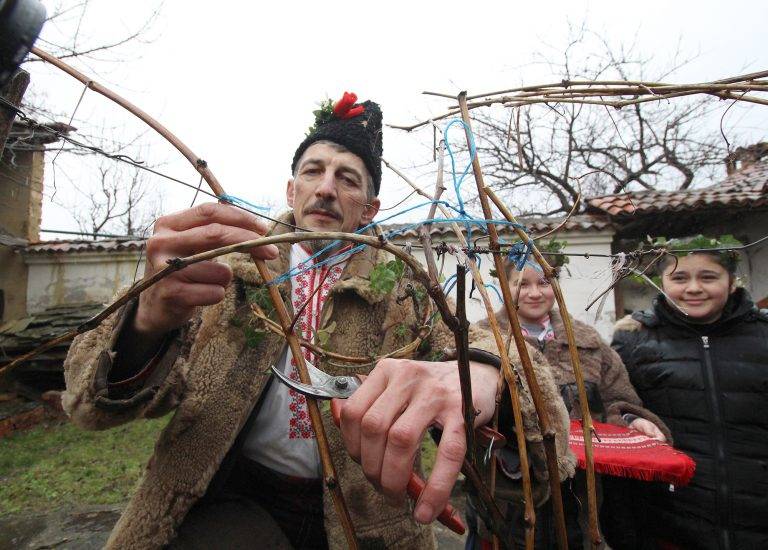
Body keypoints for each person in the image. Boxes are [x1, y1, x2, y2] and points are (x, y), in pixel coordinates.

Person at [61, 93, 571, 549]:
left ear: (369, 209)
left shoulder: (407, 289)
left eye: (347, 179)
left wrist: (485, 374)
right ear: (290, 191)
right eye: (313, 171)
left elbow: (483, 346)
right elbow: (89, 408)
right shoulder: (225, 271)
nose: (326, 188)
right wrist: (147, 323)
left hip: (372, 523)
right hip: (232, 502)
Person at [474, 258, 669, 549]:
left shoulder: (587, 341)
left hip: (582, 495)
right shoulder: (483, 340)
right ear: (504, 286)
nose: (534, 293)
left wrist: (632, 420)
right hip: (510, 494)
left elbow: (618, 399)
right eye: (521, 283)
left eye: (544, 282)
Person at [609, 236, 768, 550]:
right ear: (662, 283)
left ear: (732, 282)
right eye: (679, 277)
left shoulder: (763, 337)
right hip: (671, 519)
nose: (693, 288)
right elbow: (615, 404)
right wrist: (629, 420)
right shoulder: (634, 341)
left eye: (708, 277)